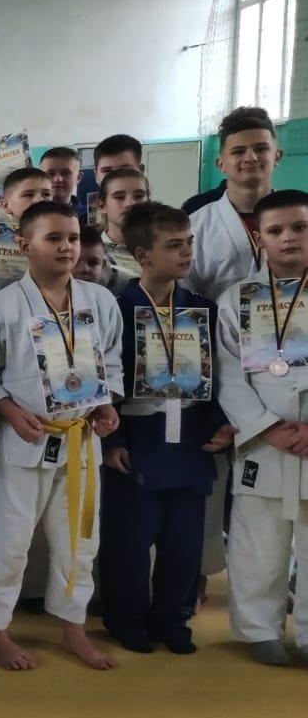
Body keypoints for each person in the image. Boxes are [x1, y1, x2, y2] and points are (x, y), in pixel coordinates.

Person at [0, 199, 123, 671]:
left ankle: (73, 627)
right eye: (53, 238)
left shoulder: (100, 301)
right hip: (27, 438)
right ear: (24, 245)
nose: (66, 247)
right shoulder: (6, 305)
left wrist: (106, 403)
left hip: (81, 437)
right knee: (11, 540)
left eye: (72, 238)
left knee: (79, 542)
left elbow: (112, 362)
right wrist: (9, 411)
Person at [100, 202, 230, 655]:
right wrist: (111, 440)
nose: (187, 252)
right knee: (130, 543)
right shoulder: (117, 310)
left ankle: (174, 619)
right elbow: (104, 380)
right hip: (138, 440)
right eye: (174, 245)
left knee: (183, 544)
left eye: (189, 243)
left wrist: (220, 425)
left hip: (190, 440)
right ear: (142, 255)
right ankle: (126, 618)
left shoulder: (202, 310)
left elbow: (219, 381)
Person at [215, 188, 308, 667]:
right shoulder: (238, 299)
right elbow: (228, 375)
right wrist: (266, 427)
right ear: (260, 238)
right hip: (263, 440)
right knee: (257, 539)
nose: (288, 237)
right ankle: (258, 628)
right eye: (276, 230)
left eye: (300, 227)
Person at [189, 107, 283, 301]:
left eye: (261, 149)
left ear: (277, 156)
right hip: (219, 320)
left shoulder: (301, 219)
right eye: (239, 151)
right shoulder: (195, 226)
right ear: (220, 164)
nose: (251, 158)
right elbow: (183, 295)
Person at [39, 146, 86, 222]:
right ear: (40, 177)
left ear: (78, 178)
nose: (57, 179)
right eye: (50, 173)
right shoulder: (29, 217)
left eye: (66, 173)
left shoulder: (89, 220)